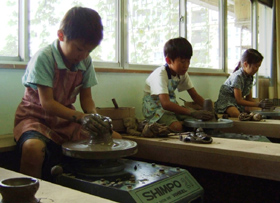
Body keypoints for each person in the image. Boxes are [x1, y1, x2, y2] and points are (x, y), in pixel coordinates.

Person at [13, 6, 121, 181]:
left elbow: (87, 99)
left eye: (89, 51)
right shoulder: (45, 57)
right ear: (61, 36)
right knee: (33, 148)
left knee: (114, 139)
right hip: (35, 118)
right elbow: (47, 103)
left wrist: (94, 118)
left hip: (65, 120)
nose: (84, 55)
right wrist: (81, 117)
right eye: (79, 49)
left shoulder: (85, 61)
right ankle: (27, 195)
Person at [142, 37, 214, 133]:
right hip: (154, 108)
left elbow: (195, 96)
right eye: (183, 61)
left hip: (171, 104)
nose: (186, 65)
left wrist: (212, 111)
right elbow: (166, 104)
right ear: (168, 60)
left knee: (197, 120)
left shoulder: (182, 73)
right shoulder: (160, 74)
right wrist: (192, 112)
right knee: (177, 127)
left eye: (188, 61)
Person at [214, 48, 273, 117]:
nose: (257, 69)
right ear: (245, 64)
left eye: (258, 66)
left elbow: (249, 99)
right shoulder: (237, 77)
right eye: (256, 66)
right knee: (235, 113)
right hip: (226, 103)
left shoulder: (250, 77)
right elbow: (239, 100)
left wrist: (263, 104)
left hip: (238, 104)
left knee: (260, 111)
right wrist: (258, 104)